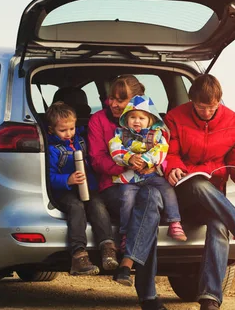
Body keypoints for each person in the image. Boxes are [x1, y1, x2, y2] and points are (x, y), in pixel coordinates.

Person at [163, 74, 235, 310]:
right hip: (180, 196)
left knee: (219, 224)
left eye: (211, 107)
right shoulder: (175, 118)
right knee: (198, 184)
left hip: (212, 200)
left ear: (219, 101)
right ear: (192, 100)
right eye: (201, 107)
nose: (206, 112)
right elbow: (169, 153)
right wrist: (172, 167)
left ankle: (210, 300)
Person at [88, 75, 167, 310]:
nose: (113, 104)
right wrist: (128, 164)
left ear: (138, 101)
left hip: (146, 184)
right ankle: (148, 296)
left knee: (150, 200)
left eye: (121, 100)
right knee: (146, 211)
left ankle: (126, 264)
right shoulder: (98, 120)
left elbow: (163, 152)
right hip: (113, 185)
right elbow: (96, 160)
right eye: (112, 98)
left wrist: (152, 164)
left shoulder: (150, 123)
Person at [109, 94, 186, 286]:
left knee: (168, 189)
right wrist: (128, 159)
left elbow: (161, 150)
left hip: (152, 175)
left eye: (142, 118)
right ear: (126, 119)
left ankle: (175, 222)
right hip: (130, 177)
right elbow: (115, 149)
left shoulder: (157, 134)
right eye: (133, 117)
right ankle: (126, 234)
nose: (137, 121)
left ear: (150, 120)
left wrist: (147, 160)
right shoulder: (121, 134)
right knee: (126, 199)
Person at [45, 101, 119, 276]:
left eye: (71, 128)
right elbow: (48, 176)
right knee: (76, 208)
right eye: (62, 130)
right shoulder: (52, 149)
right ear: (51, 130)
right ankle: (79, 255)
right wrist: (67, 180)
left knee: (98, 205)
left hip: (88, 188)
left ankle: (108, 248)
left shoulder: (80, 139)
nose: (68, 134)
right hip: (64, 192)